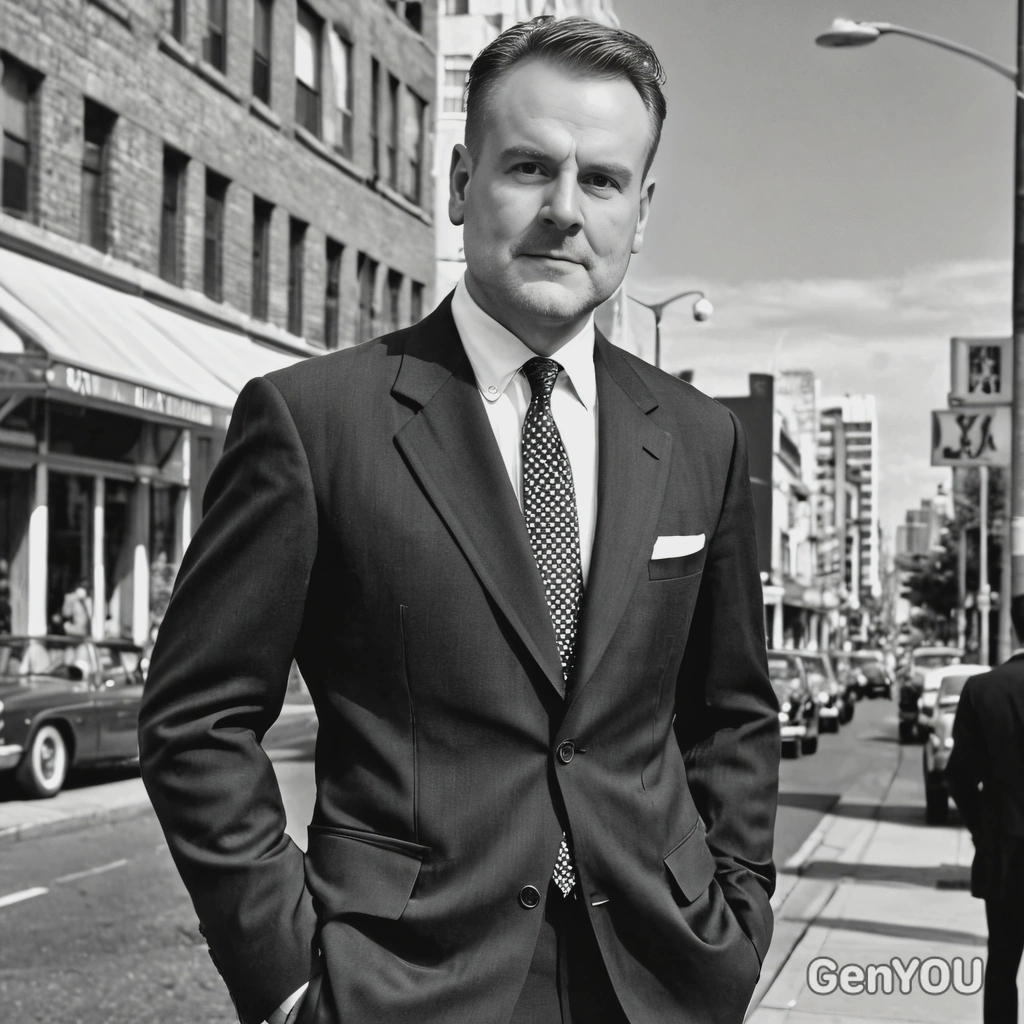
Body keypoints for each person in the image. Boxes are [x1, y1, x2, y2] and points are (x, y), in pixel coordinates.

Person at [138, 17, 780, 1024]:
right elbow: (195, 716)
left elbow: (730, 711)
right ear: (457, 182)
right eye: (528, 167)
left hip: (663, 976)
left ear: (641, 213)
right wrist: (289, 975)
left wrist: (738, 916)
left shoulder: (701, 437)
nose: (564, 212)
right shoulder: (313, 422)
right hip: (405, 984)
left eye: (602, 181)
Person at [947, 649, 1024, 1024]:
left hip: (1006, 851)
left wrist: (985, 830)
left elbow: (959, 775)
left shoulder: (982, 689)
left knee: (1003, 965)